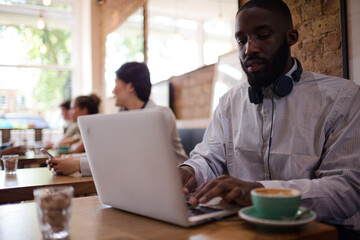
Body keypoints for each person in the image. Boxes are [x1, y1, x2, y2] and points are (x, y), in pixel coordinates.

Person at [179, 0, 360, 237]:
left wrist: (258, 192)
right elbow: (210, 157)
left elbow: (346, 190)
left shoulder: (342, 98)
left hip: (322, 231)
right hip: (242, 227)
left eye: (262, 35)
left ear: (291, 37)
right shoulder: (228, 102)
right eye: (241, 40)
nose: (249, 49)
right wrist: (189, 172)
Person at [48, 62, 188, 176]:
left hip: (178, 185)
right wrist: (71, 160)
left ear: (130, 86)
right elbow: (110, 154)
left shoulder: (160, 115)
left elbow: (132, 161)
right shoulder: (122, 116)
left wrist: (78, 164)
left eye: (116, 83)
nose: (113, 90)